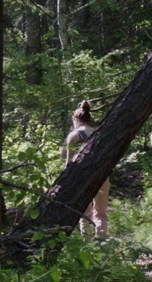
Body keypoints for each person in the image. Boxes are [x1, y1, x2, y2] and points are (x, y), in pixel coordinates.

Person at [63, 99, 110, 239]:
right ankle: (101, 243)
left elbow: (68, 164)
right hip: (103, 175)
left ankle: (87, 243)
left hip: (82, 177)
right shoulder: (99, 132)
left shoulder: (75, 135)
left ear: (75, 119)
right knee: (100, 213)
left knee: (84, 213)